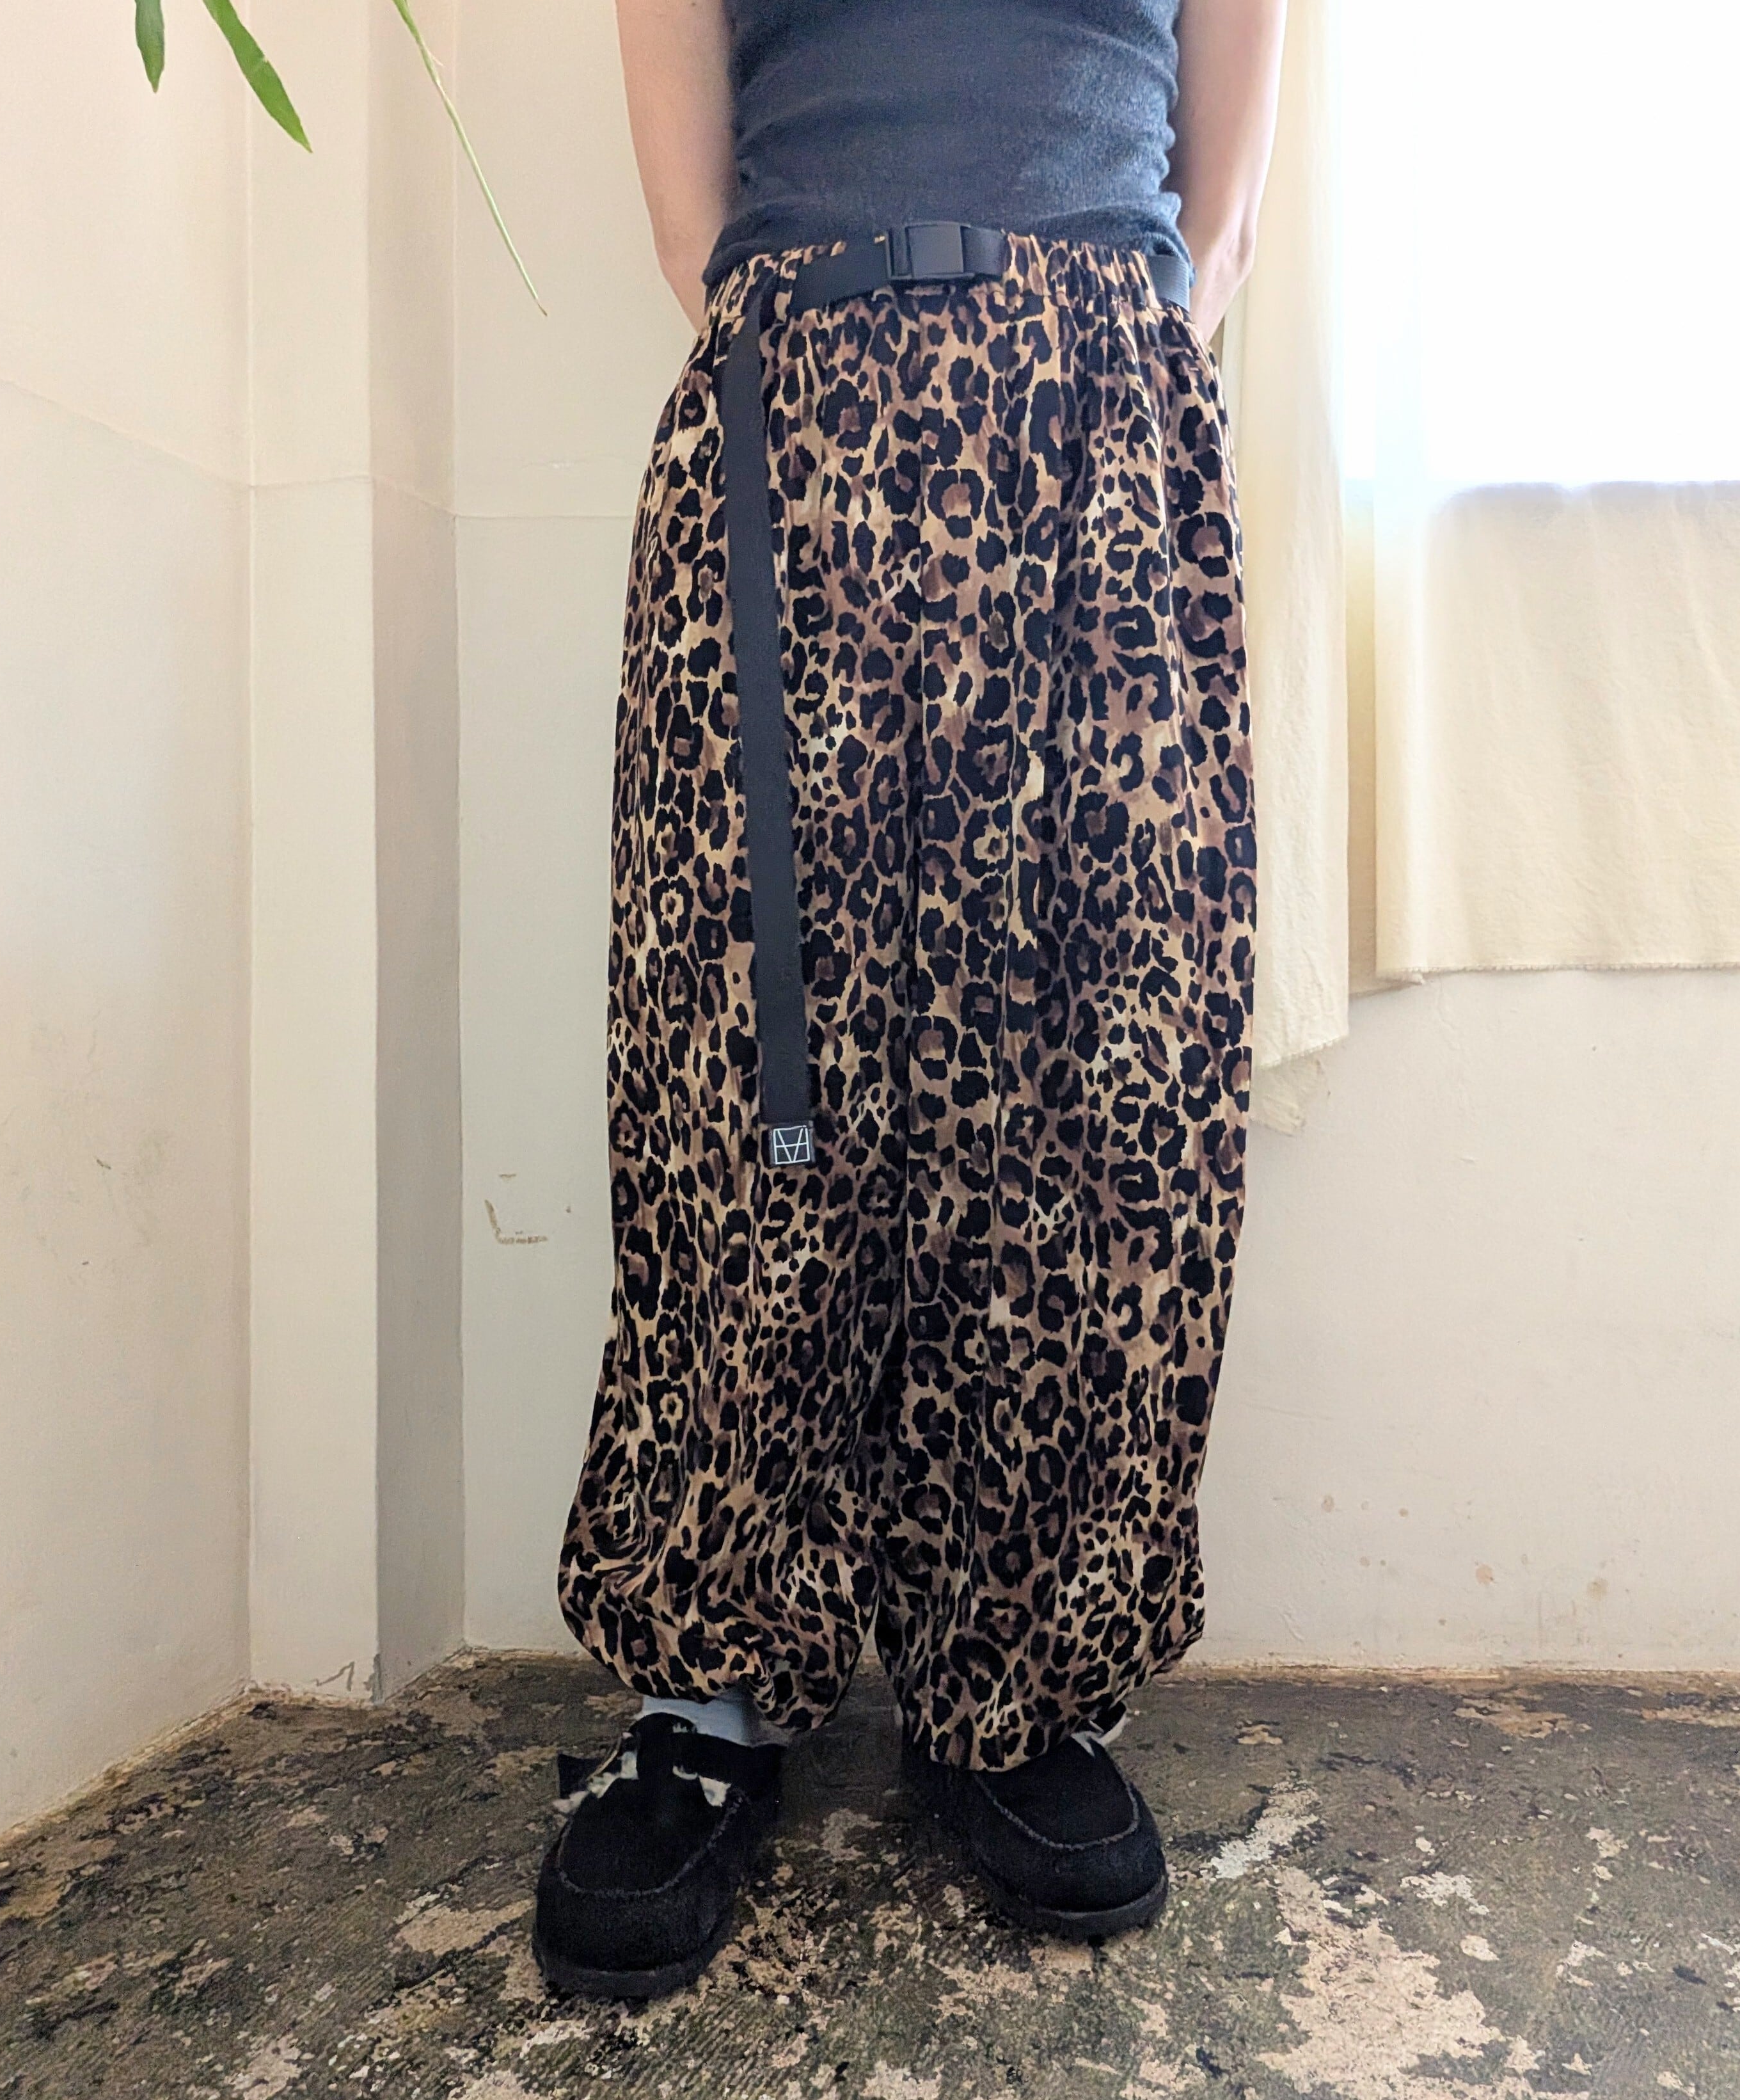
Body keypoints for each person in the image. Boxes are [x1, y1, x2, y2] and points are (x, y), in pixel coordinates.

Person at [533, 0, 1286, 2002]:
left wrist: (1106, 357)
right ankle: (711, 1687)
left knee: (1098, 1070)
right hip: (797, 410)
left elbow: (1221, 202)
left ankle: (1016, 1676)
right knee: (739, 1066)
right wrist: (829, 352)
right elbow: (692, 209)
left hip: (1102, 430)